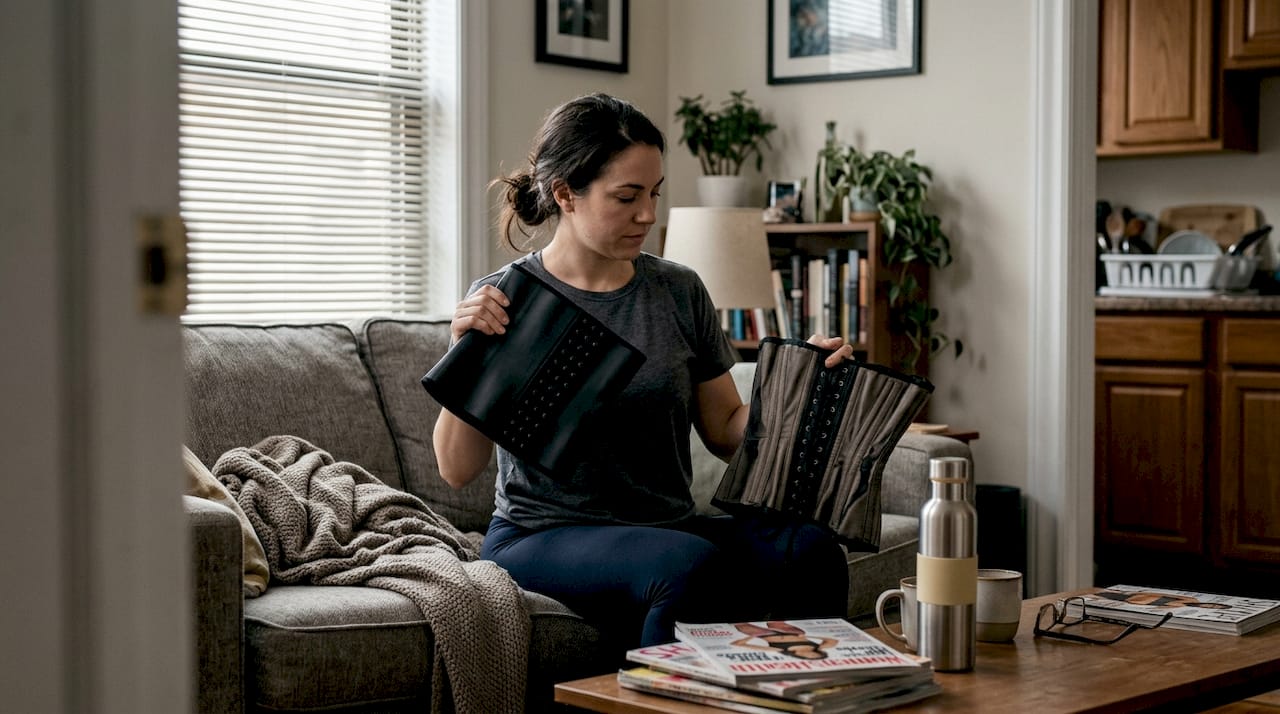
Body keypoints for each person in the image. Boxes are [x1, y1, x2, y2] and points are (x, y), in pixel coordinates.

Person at [432, 92, 851, 655]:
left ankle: (811, 693)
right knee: (687, 567)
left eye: (653, 194)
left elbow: (727, 429)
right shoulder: (509, 299)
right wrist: (469, 354)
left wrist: (798, 386)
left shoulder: (678, 291)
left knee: (812, 547)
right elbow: (457, 469)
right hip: (542, 535)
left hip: (665, 526)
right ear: (566, 195)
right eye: (627, 198)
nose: (649, 215)